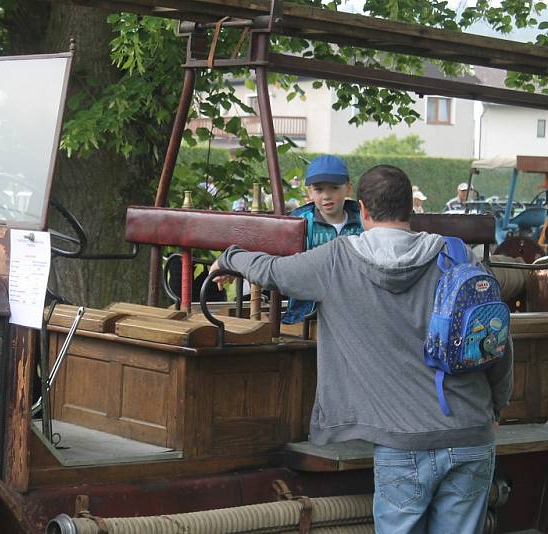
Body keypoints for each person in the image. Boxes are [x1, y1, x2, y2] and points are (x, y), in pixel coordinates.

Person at [211, 165, 512, 533]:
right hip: (472, 433)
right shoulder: (458, 256)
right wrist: (496, 405)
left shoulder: (336, 260)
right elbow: (497, 340)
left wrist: (231, 257)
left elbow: (272, 271)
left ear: (363, 210)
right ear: (411, 210)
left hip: (403, 445)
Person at [283, 154, 363, 324]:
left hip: (354, 317)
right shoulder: (298, 222)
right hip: (305, 317)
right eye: (319, 189)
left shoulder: (364, 221)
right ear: (309, 192)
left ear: (348, 188)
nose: (326, 196)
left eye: (334, 188)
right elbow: (270, 250)